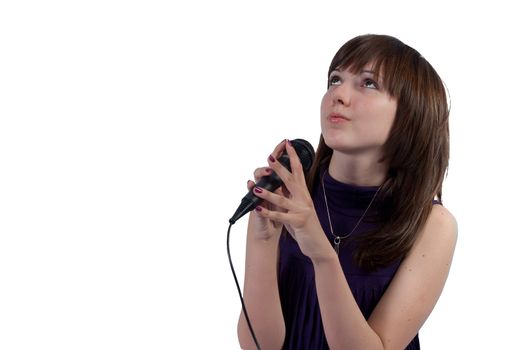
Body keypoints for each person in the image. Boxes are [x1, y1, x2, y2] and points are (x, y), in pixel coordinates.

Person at [237, 34, 458, 350]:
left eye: (368, 83)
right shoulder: (291, 195)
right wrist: (263, 238)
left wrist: (321, 252)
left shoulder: (433, 225)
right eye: (335, 79)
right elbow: (261, 345)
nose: (338, 94)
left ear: (411, 114)